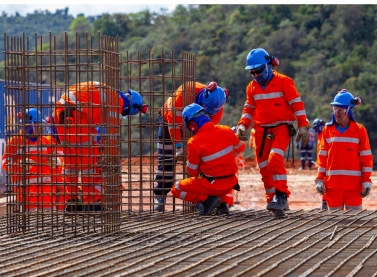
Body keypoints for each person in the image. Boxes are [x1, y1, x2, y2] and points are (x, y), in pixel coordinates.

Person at [235, 47, 310, 217]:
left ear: (270, 65)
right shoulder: (252, 87)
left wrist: (303, 126)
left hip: (281, 128)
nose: (255, 75)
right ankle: (272, 201)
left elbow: (297, 105)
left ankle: (281, 197)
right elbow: (249, 108)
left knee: (275, 159)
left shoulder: (284, 82)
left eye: (258, 71)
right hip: (261, 131)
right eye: (252, 72)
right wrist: (242, 125)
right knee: (263, 167)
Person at [53, 81, 147, 211]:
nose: (123, 115)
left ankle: (72, 201)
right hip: (77, 115)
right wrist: (108, 154)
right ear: (129, 107)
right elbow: (112, 133)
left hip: (60, 113)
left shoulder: (107, 93)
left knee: (71, 160)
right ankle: (90, 202)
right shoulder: (117, 102)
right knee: (89, 162)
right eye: (126, 114)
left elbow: (99, 130)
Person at [154, 81, 228, 212]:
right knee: (166, 160)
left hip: (195, 127)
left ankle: (211, 200)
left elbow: (207, 131)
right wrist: (178, 147)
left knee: (204, 163)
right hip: (170, 124)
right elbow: (173, 123)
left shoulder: (216, 108)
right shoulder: (183, 94)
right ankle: (160, 196)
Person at [170, 103, 245, 216]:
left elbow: (192, 171)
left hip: (211, 185)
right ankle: (222, 205)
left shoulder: (194, 142)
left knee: (176, 189)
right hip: (230, 183)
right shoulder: (226, 130)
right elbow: (241, 147)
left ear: (192, 125)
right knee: (218, 179)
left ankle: (206, 200)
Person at [315, 89, 373, 211]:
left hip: (354, 188)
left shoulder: (360, 131)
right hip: (332, 188)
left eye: (340, 111)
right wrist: (320, 179)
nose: (337, 113)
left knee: (353, 224)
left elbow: (366, 158)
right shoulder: (327, 130)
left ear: (348, 110)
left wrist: (366, 181)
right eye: (335, 110)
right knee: (334, 224)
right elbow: (322, 157)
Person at [1, 108, 65, 211]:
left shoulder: (46, 141)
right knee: (30, 220)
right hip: (26, 191)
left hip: (46, 191)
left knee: (47, 221)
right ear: (29, 125)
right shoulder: (14, 142)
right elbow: (5, 162)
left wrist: (56, 160)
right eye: (38, 124)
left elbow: (60, 157)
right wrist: (19, 165)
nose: (41, 128)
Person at [312, 118, 328, 210]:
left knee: (323, 183)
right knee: (322, 183)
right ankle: (323, 203)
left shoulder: (324, 136)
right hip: (321, 163)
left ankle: (325, 204)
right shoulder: (321, 136)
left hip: (324, 164)